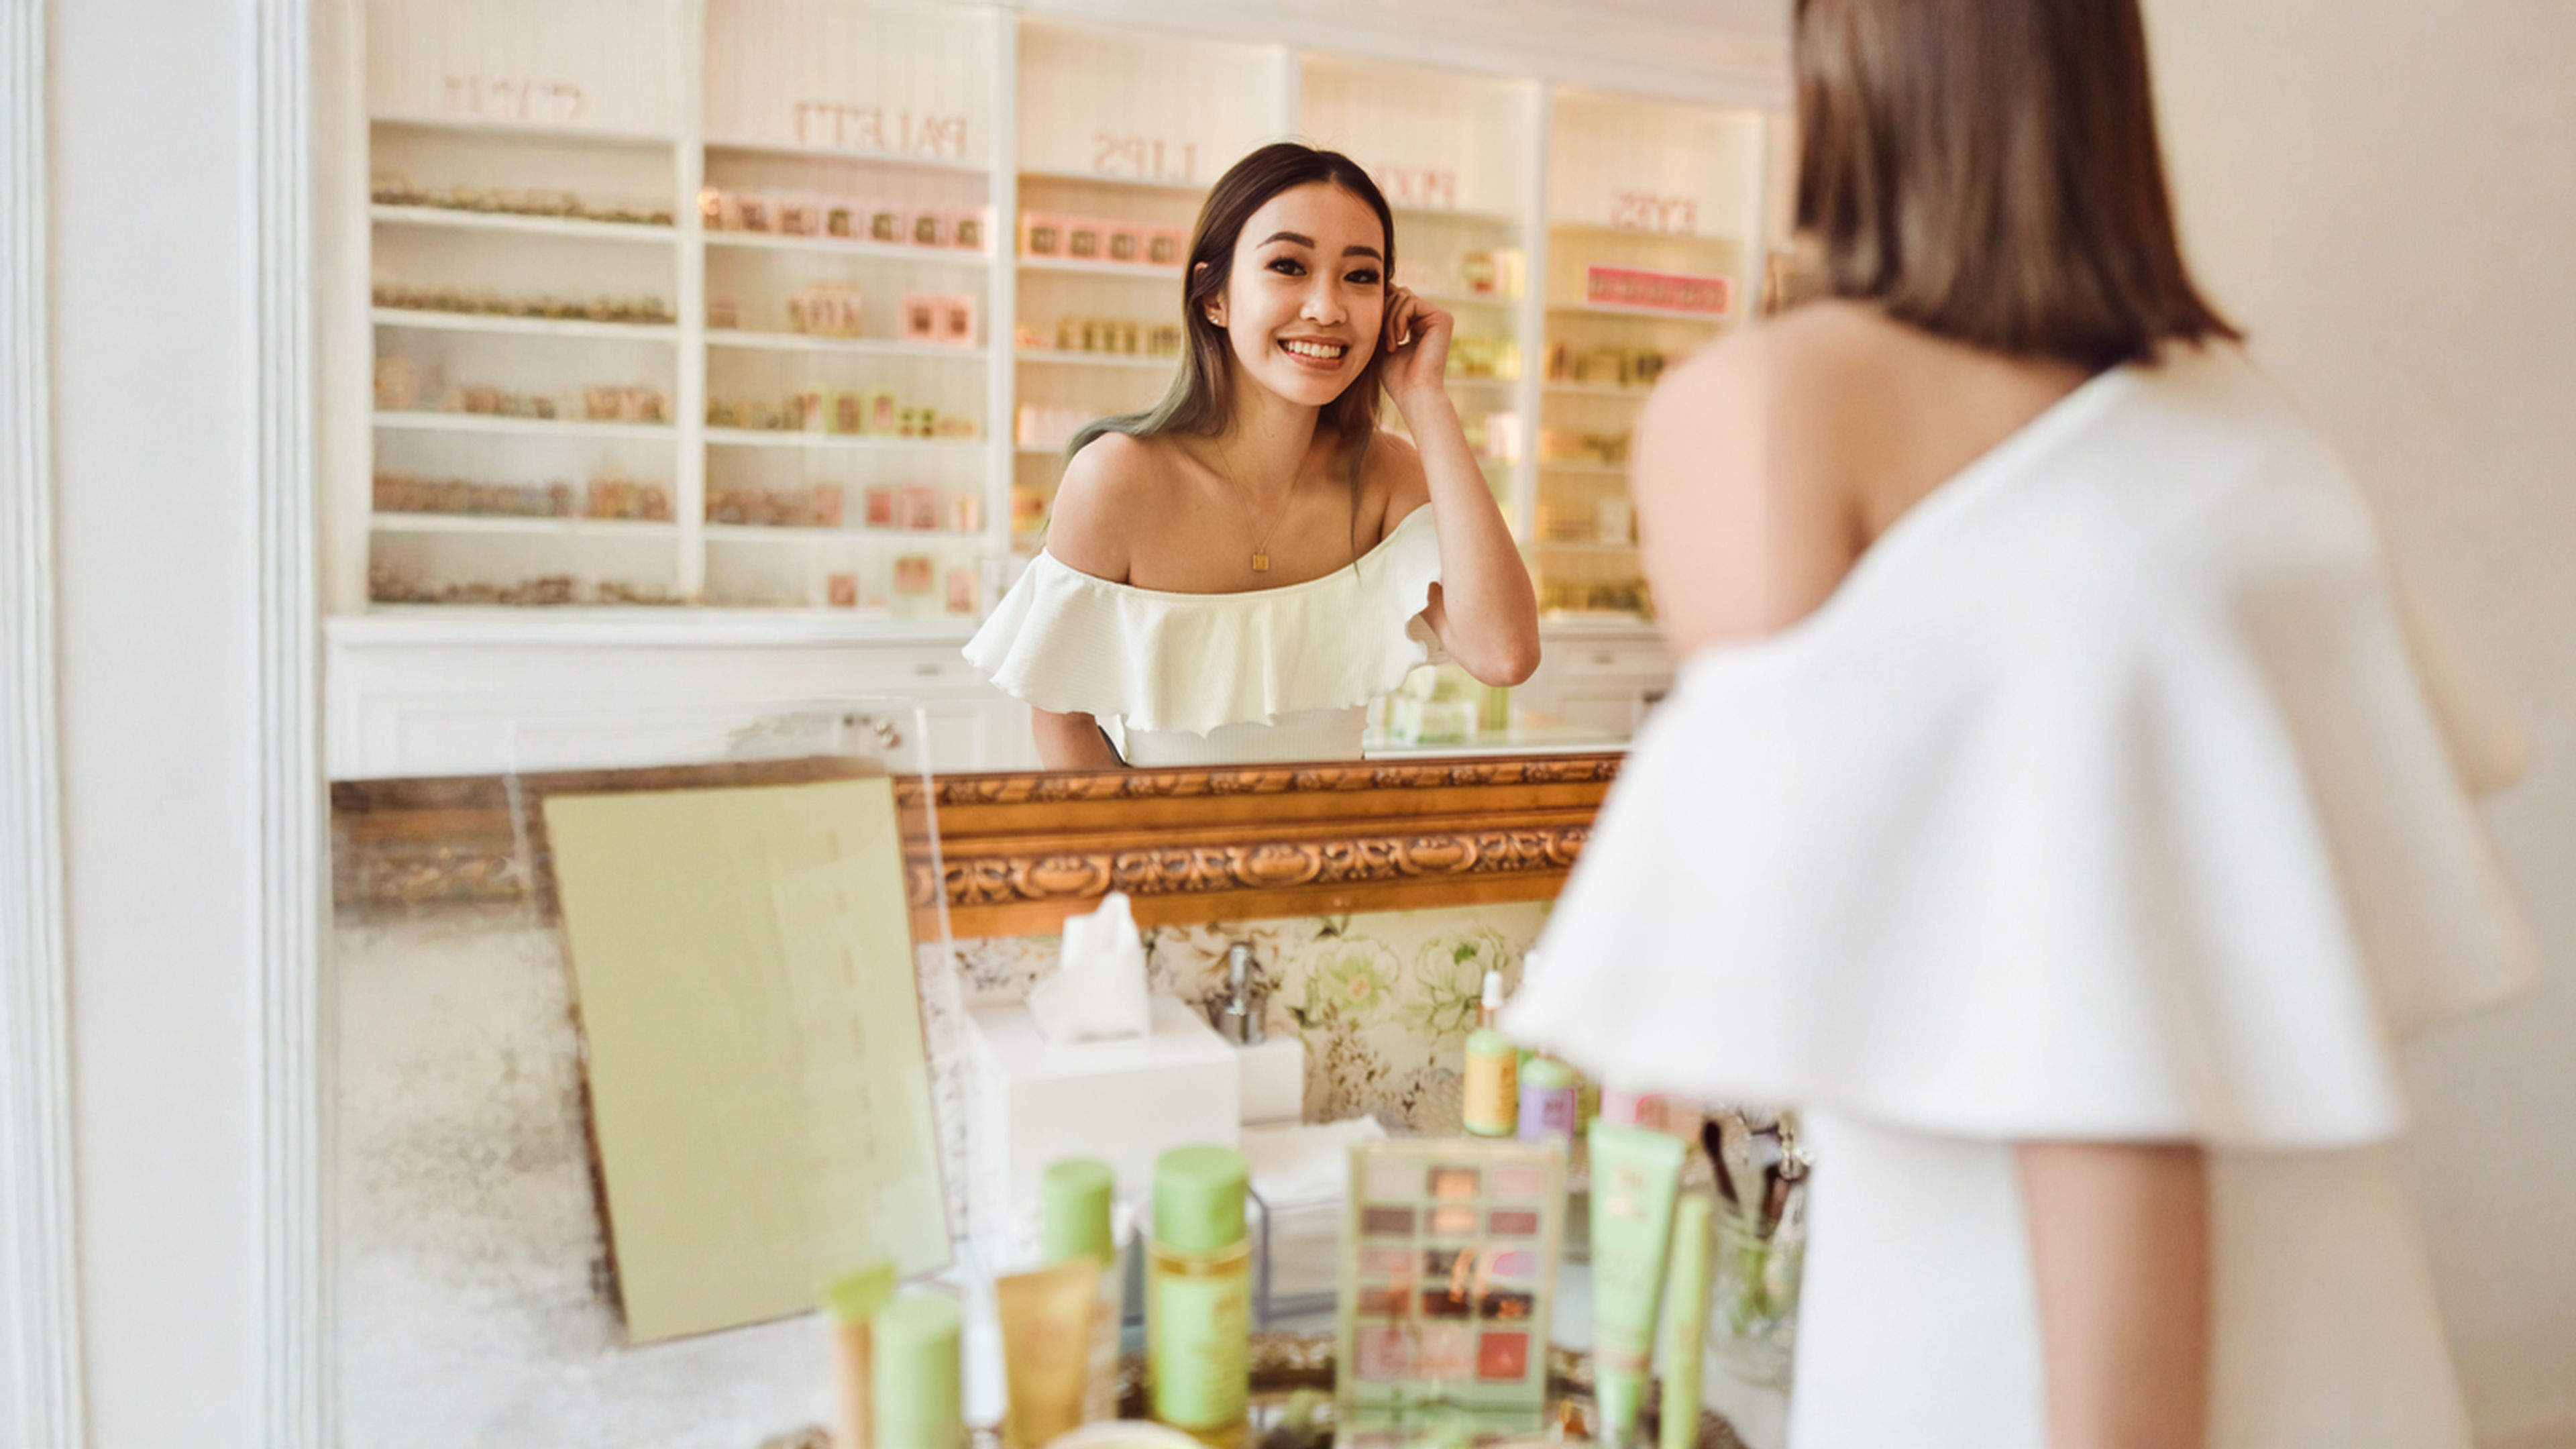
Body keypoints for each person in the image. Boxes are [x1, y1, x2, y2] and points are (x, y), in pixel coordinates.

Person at [1501, 1, 2538, 1446]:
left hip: (2047, 1346)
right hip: (2339, 1330)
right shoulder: (2254, 430)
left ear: (1853, 68)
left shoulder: (1777, 409)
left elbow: (2078, 1048)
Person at [964, 143, 1540, 769]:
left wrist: (1424, 397)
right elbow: (1062, 722)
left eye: (1361, 275)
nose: (1327, 308)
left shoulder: (1385, 476)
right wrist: (1144, 861)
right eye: (1289, 266)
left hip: (1342, 858)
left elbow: (1503, 653)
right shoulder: (1119, 477)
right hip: (1165, 858)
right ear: (1215, 298)